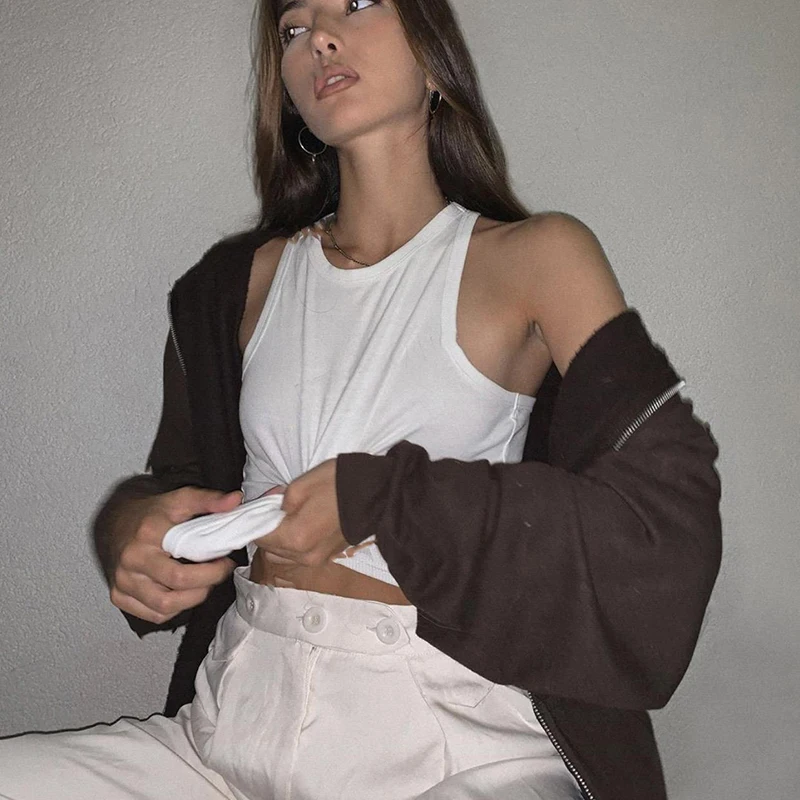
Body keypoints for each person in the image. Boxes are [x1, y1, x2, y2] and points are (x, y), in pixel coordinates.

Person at [0, 0, 722, 798]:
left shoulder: (541, 257)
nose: (321, 37)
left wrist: (382, 498)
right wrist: (128, 531)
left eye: (358, 2)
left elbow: (663, 524)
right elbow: (179, 485)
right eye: (294, 28)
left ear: (435, 55)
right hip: (231, 719)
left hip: (455, 737)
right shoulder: (234, 285)